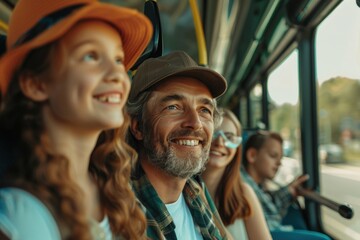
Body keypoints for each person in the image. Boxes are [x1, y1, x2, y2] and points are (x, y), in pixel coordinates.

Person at [0, 0, 152, 239]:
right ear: (36, 84)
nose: (117, 76)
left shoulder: (115, 190)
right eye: (90, 56)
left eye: (118, 60)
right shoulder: (21, 216)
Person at [126, 51, 230, 239]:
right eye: (173, 107)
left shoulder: (195, 190)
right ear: (138, 127)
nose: (195, 122)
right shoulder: (118, 208)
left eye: (204, 110)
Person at [241, 131, 331, 240]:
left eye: (280, 159)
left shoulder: (255, 185)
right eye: (273, 156)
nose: (279, 163)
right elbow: (267, 226)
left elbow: (268, 207)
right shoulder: (244, 185)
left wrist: (289, 190)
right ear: (252, 155)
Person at [202, 108, 272, 240]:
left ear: (237, 148)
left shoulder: (244, 193)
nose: (220, 143)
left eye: (229, 137)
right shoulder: (178, 193)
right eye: (213, 134)